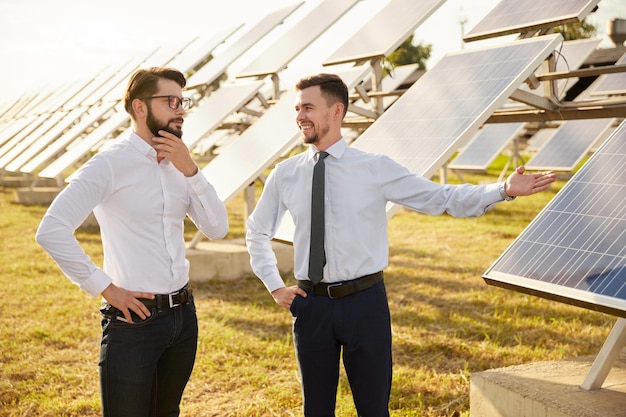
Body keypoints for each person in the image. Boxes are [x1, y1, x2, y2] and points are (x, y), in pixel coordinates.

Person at [245, 73, 556, 416]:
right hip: (311, 307)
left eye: (308, 107)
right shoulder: (285, 173)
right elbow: (257, 231)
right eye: (297, 108)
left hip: (365, 304)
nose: (300, 116)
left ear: (337, 111)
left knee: (373, 408)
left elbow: (441, 197)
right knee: (316, 409)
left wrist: (502, 190)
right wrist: (274, 286)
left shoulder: (374, 168)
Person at [36, 67, 229, 417]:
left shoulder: (180, 164)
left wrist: (191, 170)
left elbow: (217, 228)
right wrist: (105, 288)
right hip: (133, 322)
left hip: (183, 317)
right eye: (170, 101)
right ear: (140, 108)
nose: (180, 109)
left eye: (182, 101)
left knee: (166, 413)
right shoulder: (110, 164)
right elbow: (52, 229)